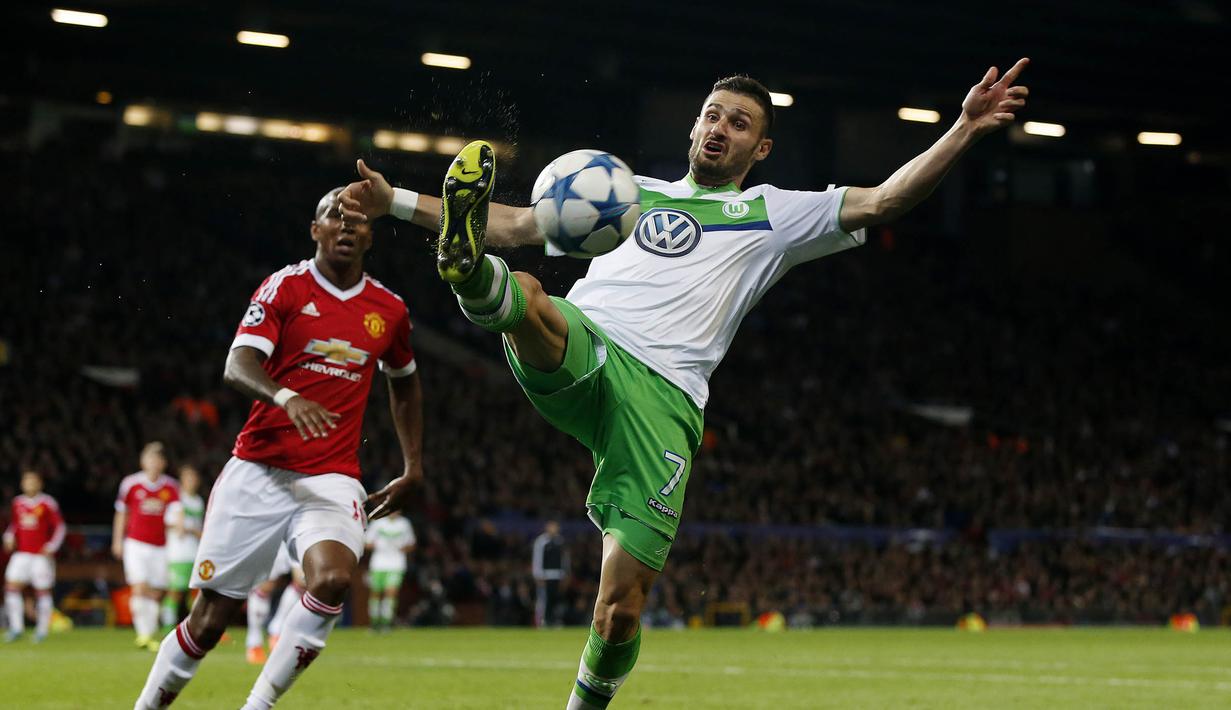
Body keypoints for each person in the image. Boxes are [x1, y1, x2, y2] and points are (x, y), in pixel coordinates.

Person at [342, 58, 1030, 708]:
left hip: (665, 399)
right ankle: (466, 275)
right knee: (527, 290)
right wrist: (396, 200)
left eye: (737, 123)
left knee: (620, 608)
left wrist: (963, 127)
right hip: (591, 341)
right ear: (693, 124)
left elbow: (882, 200)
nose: (717, 128)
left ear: (758, 149)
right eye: (711, 114)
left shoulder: (773, 212)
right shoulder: (626, 194)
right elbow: (519, 223)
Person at [132, 188, 424, 710]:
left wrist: (414, 465)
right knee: (209, 619)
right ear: (315, 230)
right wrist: (286, 396)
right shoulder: (285, 288)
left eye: (357, 220)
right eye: (335, 216)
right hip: (258, 471)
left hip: (332, 476)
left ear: (371, 237)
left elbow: (403, 380)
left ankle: (257, 706)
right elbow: (238, 362)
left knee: (334, 579)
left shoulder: (389, 309)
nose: (346, 226)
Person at [114, 442, 179, 651]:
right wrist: (117, 540)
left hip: (161, 546)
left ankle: (149, 633)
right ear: (143, 461)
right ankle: (143, 633)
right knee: (139, 586)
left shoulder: (170, 486)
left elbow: (177, 514)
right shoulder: (131, 484)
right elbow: (121, 513)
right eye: (150, 458)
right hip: (136, 543)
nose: (154, 463)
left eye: (158, 459)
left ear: (163, 463)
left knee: (156, 592)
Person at [3, 470, 66, 643]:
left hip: (40, 557)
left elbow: (59, 527)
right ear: (22, 484)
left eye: (33, 481)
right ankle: (16, 628)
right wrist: (8, 536)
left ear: (40, 484)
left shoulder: (47, 503)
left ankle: (41, 630)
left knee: (42, 591)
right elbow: (15, 524)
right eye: (26, 481)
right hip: (21, 554)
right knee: (11, 587)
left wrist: (52, 546)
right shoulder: (18, 502)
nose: (29, 484)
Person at [161, 465, 205, 628]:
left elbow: (199, 528)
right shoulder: (176, 500)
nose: (191, 482)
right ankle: (167, 625)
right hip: (178, 552)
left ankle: (195, 625)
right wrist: (187, 528)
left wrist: (194, 531)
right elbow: (169, 524)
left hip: (194, 552)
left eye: (194, 478)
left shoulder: (198, 501)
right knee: (176, 591)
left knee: (195, 591)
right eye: (188, 478)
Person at [363, 508, 415, 632]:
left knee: (391, 592)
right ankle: (374, 623)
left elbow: (411, 544)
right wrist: (377, 545)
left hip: (396, 564)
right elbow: (367, 542)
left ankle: (386, 623)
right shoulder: (377, 523)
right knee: (376, 593)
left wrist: (404, 548)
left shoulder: (404, 524)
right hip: (378, 563)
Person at [532, 520, 569, 628]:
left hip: (558, 575)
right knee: (544, 600)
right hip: (545, 576)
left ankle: (554, 620)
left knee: (556, 599)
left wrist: (565, 574)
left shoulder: (560, 541)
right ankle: (543, 621)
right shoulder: (541, 542)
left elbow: (564, 560)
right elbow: (537, 558)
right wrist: (538, 574)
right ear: (547, 527)